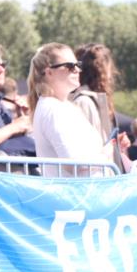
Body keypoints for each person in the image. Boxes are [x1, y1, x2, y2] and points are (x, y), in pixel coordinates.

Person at [28, 43, 116, 177]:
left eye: (77, 65)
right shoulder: (52, 109)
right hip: (75, 194)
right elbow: (74, 165)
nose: (77, 70)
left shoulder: (63, 106)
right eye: (70, 66)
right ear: (49, 72)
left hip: (85, 191)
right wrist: (106, 153)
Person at [70, 43, 132, 172]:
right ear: (103, 70)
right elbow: (86, 150)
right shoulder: (84, 102)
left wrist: (115, 144)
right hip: (95, 180)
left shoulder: (90, 100)